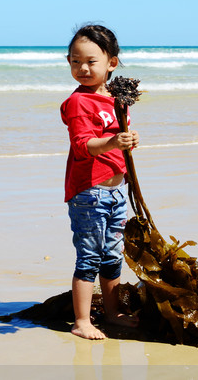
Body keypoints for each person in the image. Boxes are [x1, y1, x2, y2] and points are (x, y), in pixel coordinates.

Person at [60, 24, 140, 340]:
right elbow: (83, 145)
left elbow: (118, 139)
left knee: (112, 255)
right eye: (75, 61)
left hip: (117, 188)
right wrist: (112, 143)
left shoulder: (117, 97)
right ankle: (81, 321)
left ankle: (112, 311)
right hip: (89, 192)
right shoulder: (78, 103)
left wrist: (130, 140)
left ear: (112, 63)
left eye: (91, 61)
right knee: (90, 256)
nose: (82, 68)